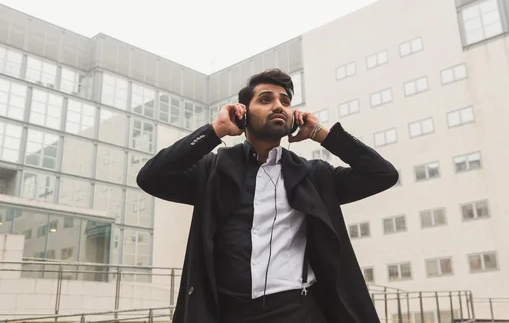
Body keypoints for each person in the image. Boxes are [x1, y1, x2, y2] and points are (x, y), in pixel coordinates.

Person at [136, 68, 399, 323]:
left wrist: (321, 133)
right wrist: (215, 130)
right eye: (265, 99)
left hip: (299, 310)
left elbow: (382, 174)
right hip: (228, 312)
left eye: (285, 101)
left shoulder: (315, 176)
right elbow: (151, 177)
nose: (279, 106)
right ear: (243, 114)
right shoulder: (213, 171)